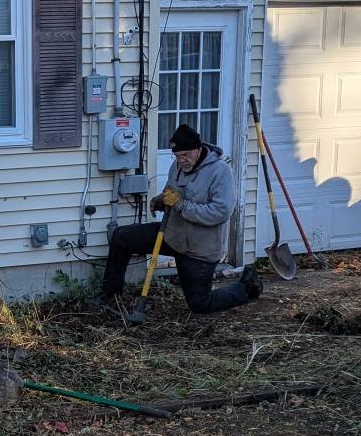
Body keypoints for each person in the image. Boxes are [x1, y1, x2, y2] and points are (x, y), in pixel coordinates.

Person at [100, 123, 262, 314]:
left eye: (185, 155)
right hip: (172, 235)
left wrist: (181, 205)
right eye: (177, 156)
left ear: (198, 148)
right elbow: (173, 192)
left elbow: (220, 212)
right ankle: (110, 298)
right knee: (121, 237)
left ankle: (248, 287)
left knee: (200, 304)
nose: (181, 160)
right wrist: (161, 201)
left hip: (199, 248)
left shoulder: (220, 171)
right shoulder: (176, 166)